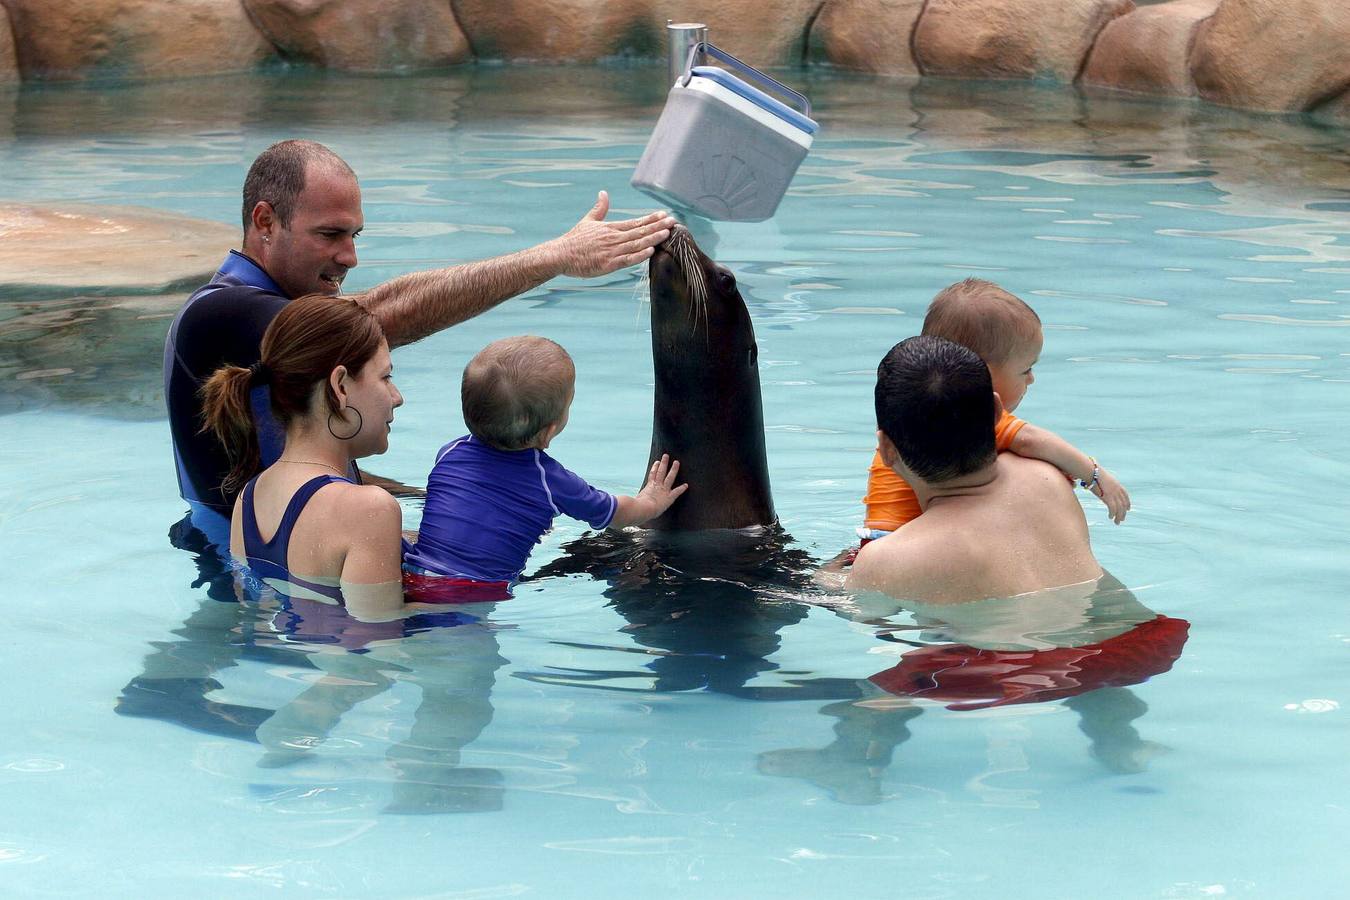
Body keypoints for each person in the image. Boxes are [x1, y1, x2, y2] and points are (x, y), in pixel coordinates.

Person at [165, 138, 676, 541]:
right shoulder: (221, 311)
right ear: (265, 222)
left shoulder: (257, 309)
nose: (350, 257)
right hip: (243, 563)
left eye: (354, 236)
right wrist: (553, 258)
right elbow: (375, 316)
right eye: (329, 235)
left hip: (279, 541)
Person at [200, 293, 427, 621]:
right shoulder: (369, 509)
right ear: (340, 387)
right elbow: (377, 646)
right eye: (385, 377)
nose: (397, 397)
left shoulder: (249, 499)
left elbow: (257, 619)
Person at [403, 336, 687, 596]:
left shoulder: (449, 452)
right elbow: (616, 513)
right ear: (548, 432)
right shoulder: (549, 481)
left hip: (414, 575)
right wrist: (650, 502)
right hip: (474, 591)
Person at [858, 278, 1129, 542]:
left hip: (880, 537)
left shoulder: (920, 412)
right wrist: (1094, 476)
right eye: (1026, 370)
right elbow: (1031, 440)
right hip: (906, 543)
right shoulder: (965, 412)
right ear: (980, 374)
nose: (1031, 380)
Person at [847, 335, 1104, 603]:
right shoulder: (1047, 477)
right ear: (996, 412)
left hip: (1001, 645)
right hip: (1135, 638)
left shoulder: (887, 560)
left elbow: (871, 618)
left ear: (886, 449)